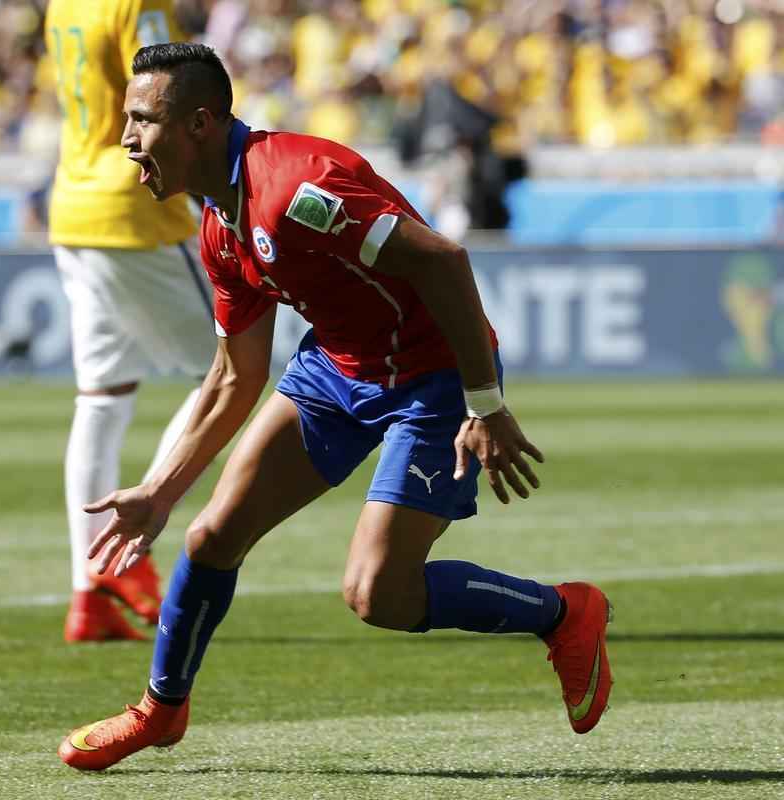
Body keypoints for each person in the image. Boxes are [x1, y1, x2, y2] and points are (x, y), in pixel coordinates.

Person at [57, 42, 615, 770]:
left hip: (434, 376)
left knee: (377, 595)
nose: (125, 139)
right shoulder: (219, 225)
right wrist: (160, 493)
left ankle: (564, 613)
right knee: (209, 537)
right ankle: (160, 711)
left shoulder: (294, 191)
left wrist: (484, 401)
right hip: (336, 368)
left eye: (139, 120)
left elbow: (441, 258)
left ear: (198, 123)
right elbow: (234, 375)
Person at [44, 2, 217, 642]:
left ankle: (88, 593)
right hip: (133, 203)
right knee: (228, 373)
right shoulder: (136, 4)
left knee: (102, 397)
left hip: (73, 204)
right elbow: (164, 90)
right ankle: (132, 547)